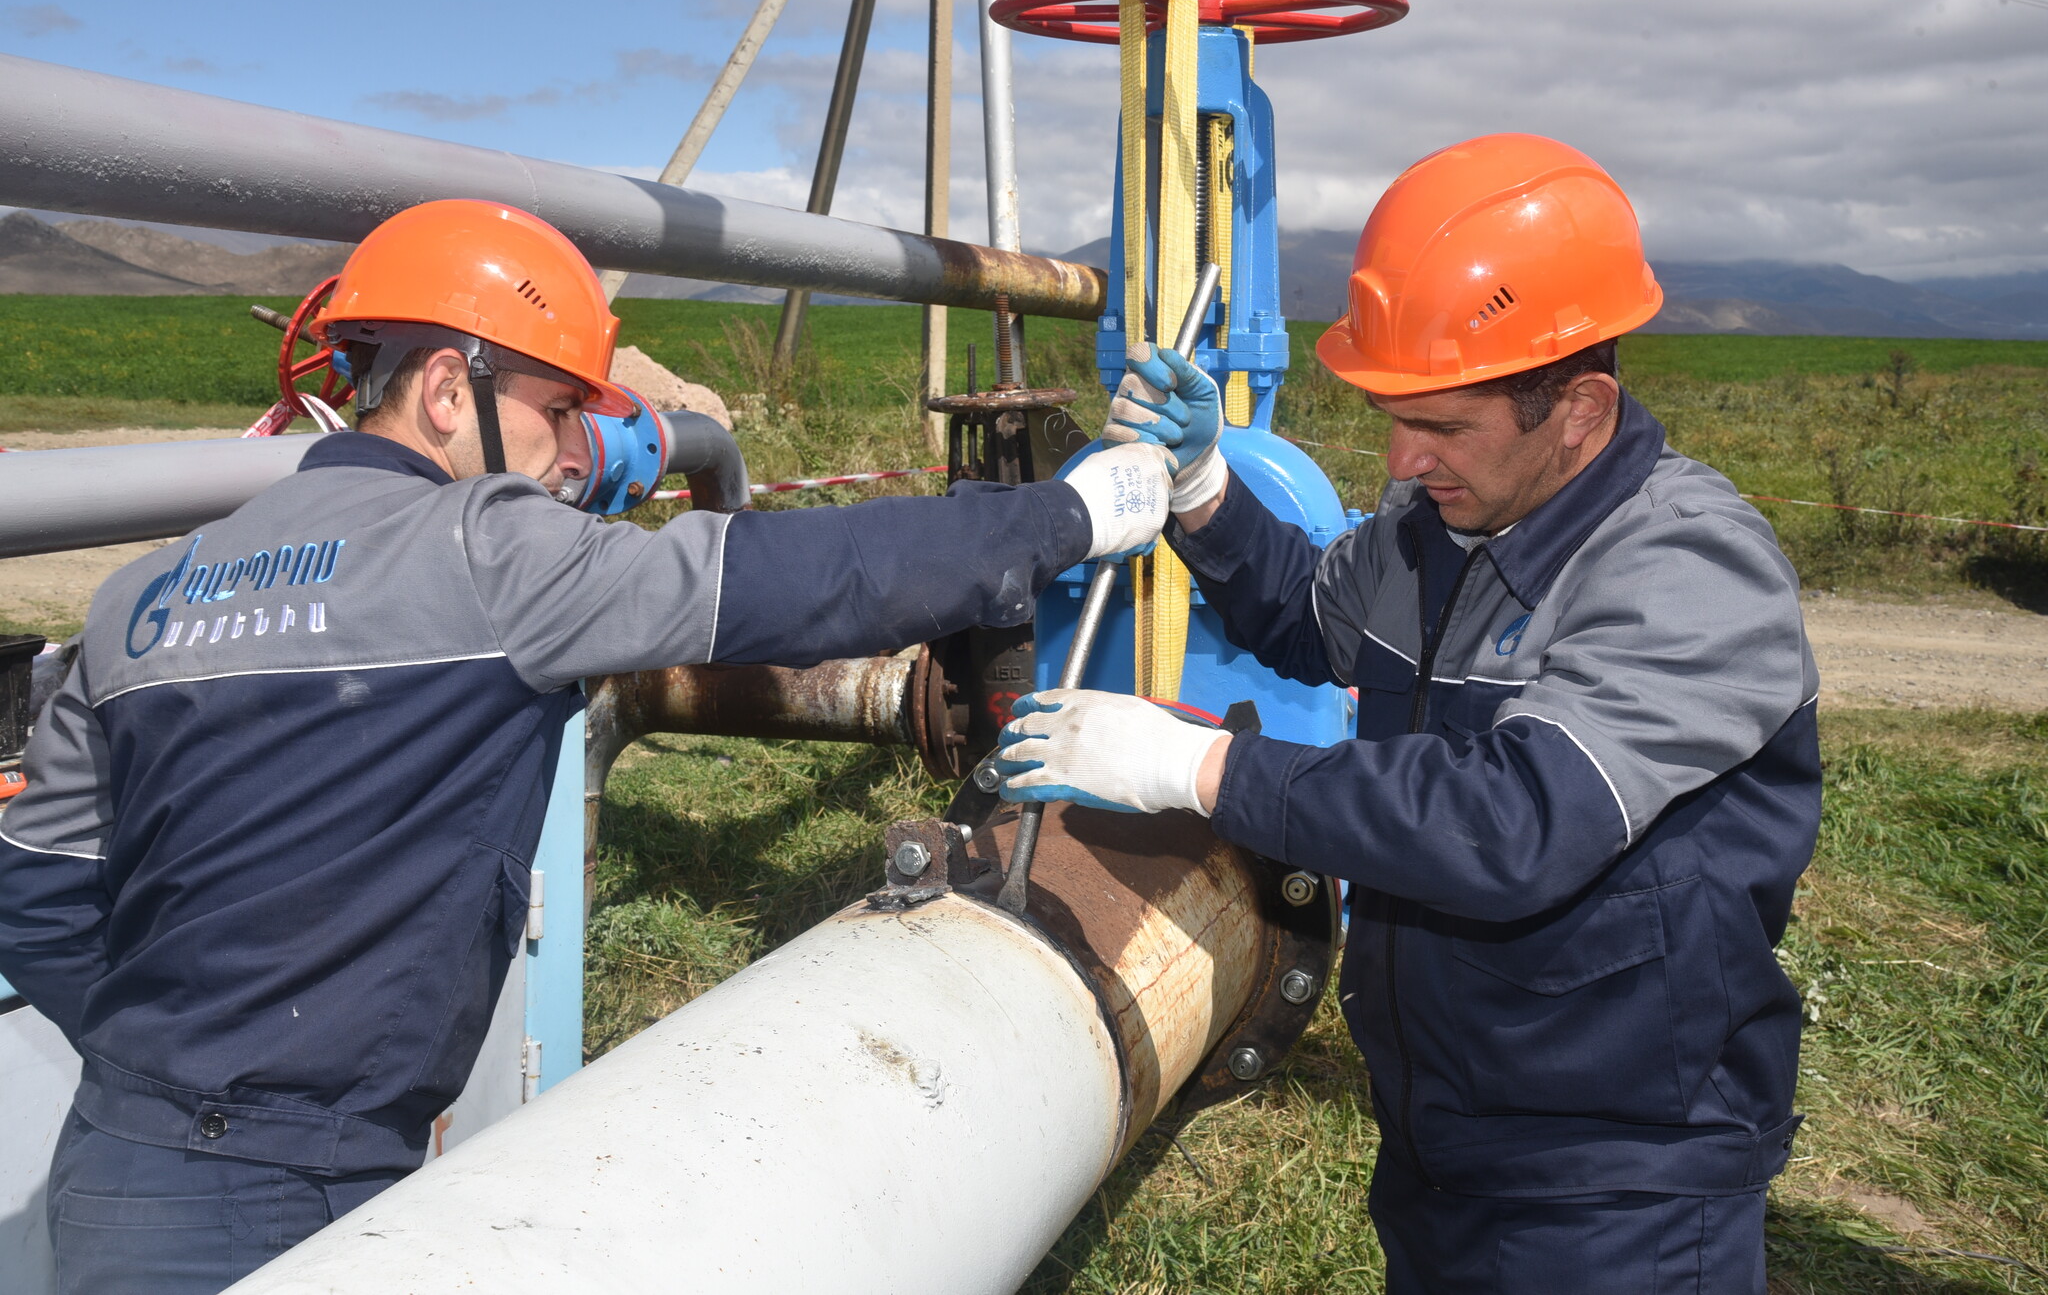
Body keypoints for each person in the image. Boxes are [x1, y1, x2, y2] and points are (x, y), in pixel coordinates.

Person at [0, 198, 1185, 1295]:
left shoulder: (142, 599)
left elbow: (38, 892)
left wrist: (168, 1055)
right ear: (446, 390)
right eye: (556, 406)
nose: (575, 451)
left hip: (118, 1166)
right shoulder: (485, 555)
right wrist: (1072, 513)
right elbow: (807, 578)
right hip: (293, 1189)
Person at [996, 134, 1821, 1294]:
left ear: (1577, 408)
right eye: (1391, 414)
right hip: (1446, 1123)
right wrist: (1200, 487)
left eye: (1440, 424)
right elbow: (1304, 616)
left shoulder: (1687, 568)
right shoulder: (1438, 533)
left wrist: (1202, 772)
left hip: (1617, 1170)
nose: (1399, 456)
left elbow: (1513, 823)